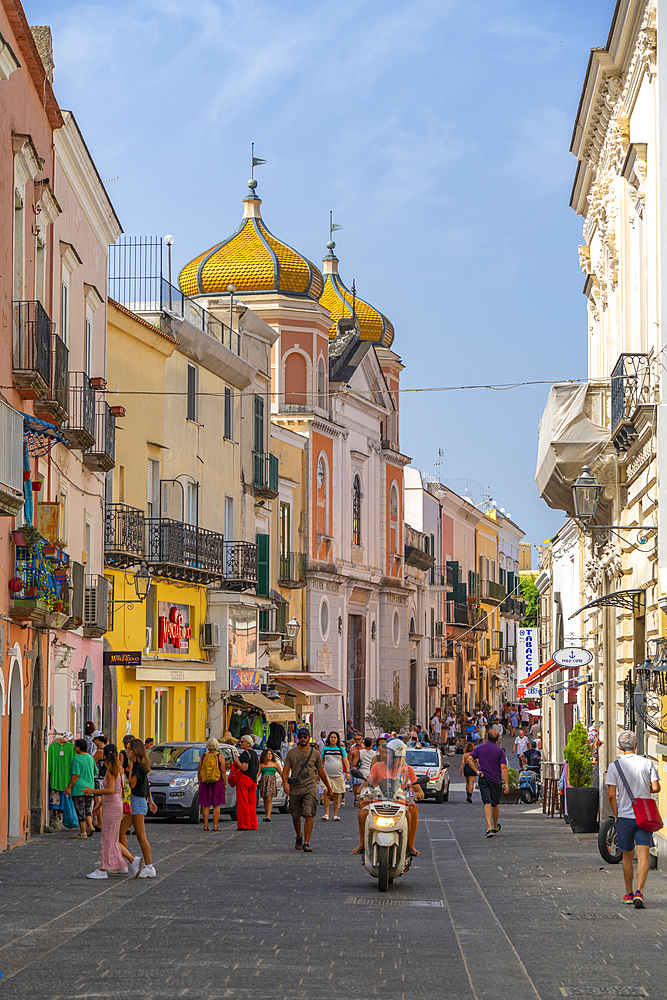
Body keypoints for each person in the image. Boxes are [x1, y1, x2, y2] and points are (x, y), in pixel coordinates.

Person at [606, 730, 660, 909]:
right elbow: (656, 787)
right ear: (636, 745)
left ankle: (628, 893)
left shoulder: (615, 766)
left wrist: (616, 814)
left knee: (627, 856)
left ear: (620, 747)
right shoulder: (647, 763)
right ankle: (640, 892)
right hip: (643, 816)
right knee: (643, 854)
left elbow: (611, 795)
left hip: (625, 816)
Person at [353, 738, 424, 857]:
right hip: (379, 800)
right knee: (362, 814)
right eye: (386, 754)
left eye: (390, 755)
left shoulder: (408, 769)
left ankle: (409, 845)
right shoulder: (377, 766)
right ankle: (363, 843)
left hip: (400, 802)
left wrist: (417, 795)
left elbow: (419, 791)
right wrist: (363, 789)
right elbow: (369, 780)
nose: (386, 757)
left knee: (411, 812)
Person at [84, 744, 135, 879]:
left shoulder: (110, 770)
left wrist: (93, 791)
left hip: (112, 808)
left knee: (107, 838)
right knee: (112, 838)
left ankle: (103, 869)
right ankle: (121, 865)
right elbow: (116, 790)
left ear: (105, 756)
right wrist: (99, 804)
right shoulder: (119, 769)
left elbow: (110, 790)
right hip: (115, 805)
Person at [282, 726, 332, 852]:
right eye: (301, 736)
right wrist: (285, 783)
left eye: (305, 736)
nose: (303, 739)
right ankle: (299, 835)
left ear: (309, 738)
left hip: (310, 786)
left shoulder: (314, 753)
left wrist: (328, 787)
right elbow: (286, 770)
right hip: (295, 787)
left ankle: (306, 842)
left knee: (309, 812)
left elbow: (321, 772)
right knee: (295, 814)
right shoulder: (291, 753)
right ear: (297, 738)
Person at [119, 738, 158, 878]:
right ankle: (122, 862)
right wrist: (151, 801)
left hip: (137, 804)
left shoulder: (135, 765)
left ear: (135, 751)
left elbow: (133, 784)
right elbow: (146, 785)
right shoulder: (141, 764)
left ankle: (149, 866)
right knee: (121, 831)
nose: (126, 751)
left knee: (141, 836)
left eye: (129, 749)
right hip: (139, 802)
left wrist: (128, 770)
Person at [468, 728, 509, 838]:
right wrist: (507, 783)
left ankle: (489, 828)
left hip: (484, 778)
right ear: (498, 739)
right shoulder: (500, 751)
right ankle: (495, 827)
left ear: (487, 737)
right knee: (495, 804)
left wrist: (477, 772)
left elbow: (469, 759)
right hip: (496, 779)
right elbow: (503, 767)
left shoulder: (480, 748)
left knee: (487, 802)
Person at [64, 739, 96, 839]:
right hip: (89, 787)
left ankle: (83, 832)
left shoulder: (76, 759)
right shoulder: (90, 758)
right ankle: (90, 826)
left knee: (80, 810)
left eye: (75, 746)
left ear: (78, 747)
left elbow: (75, 775)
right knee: (87, 809)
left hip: (79, 789)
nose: (74, 748)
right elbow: (94, 771)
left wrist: (69, 787)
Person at [198, 737, 227, 831]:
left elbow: (199, 771)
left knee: (205, 804)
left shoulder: (203, 756)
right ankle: (215, 826)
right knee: (216, 804)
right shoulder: (220, 756)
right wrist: (225, 783)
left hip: (205, 781)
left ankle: (205, 825)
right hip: (217, 781)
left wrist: (199, 782)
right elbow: (223, 771)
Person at [233, 734, 259, 830]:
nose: (240, 743)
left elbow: (244, 767)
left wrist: (237, 760)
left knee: (242, 803)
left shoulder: (245, 753)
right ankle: (253, 824)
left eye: (242, 741)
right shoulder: (255, 753)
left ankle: (244, 824)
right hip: (253, 780)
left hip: (245, 779)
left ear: (247, 743)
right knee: (251, 803)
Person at [321, 731, 349, 821]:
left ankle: (335, 814)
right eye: (331, 737)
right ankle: (326, 813)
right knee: (326, 792)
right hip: (327, 775)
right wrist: (318, 772)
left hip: (338, 775)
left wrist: (348, 772)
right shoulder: (325, 749)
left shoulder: (341, 749)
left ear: (337, 739)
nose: (333, 739)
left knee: (336, 794)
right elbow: (321, 761)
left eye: (334, 737)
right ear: (329, 738)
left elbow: (346, 761)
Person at [257, 747, 283, 821]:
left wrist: (284, 781)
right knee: (265, 798)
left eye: (270, 754)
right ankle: (267, 814)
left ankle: (268, 816)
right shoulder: (262, 765)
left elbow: (281, 773)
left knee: (269, 798)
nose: (269, 755)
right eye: (268, 754)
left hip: (271, 782)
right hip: (264, 781)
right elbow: (257, 774)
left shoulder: (275, 764)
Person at [348, 735, 364, 806]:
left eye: (359, 739)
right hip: (354, 767)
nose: (357, 740)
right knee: (355, 784)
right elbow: (350, 759)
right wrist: (348, 769)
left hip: (363, 767)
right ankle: (356, 797)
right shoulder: (352, 748)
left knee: (362, 784)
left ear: (362, 739)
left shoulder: (364, 747)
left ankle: (361, 799)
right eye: (356, 739)